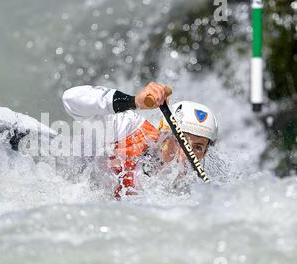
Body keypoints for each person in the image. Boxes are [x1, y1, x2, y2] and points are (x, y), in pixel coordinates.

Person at [62, 82, 218, 199]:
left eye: (197, 147)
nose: (185, 154)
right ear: (164, 134)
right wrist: (133, 101)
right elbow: (70, 99)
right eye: (180, 140)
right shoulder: (129, 129)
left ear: (204, 153)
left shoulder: (185, 192)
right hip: (59, 167)